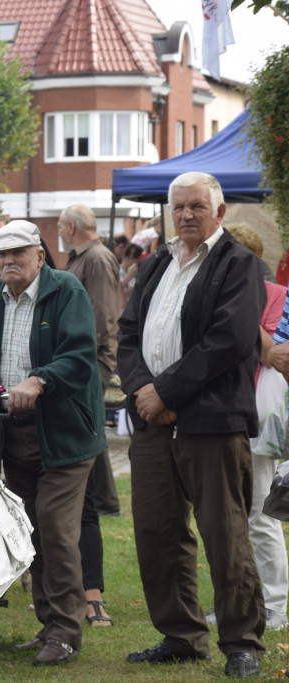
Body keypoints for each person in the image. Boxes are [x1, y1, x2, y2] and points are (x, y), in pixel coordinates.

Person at [118, 172, 265, 677]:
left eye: (196, 207)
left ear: (219, 212)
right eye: (178, 207)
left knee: (226, 536)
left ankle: (242, 642)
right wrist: (144, 391)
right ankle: (181, 636)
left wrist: (167, 391)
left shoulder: (240, 264)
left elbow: (230, 340)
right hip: (153, 422)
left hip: (213, 422)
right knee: (157, 533)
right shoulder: (156, 262)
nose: (185, 215)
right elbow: (129, 334)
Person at [0, 220, 104, 666]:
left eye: (19, 253)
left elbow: (79, 356)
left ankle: (66, 633)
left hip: (65, 433)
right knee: (29, 529)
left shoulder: (65, 290)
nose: (9, 262)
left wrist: (39, 379)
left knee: (54, 525)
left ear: (38, 254)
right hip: (12, 433)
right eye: (0, 255)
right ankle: (50, 626)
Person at [58, 204, 122, 624]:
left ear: (71, 228)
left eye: (61, 228)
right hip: (77, 375)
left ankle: (90, 594)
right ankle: (70, 591)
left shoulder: (96, 259)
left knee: (86, 485)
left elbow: (101, 321)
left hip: (87, 376)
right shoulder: (82, 259)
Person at [232, 223, 289, 633]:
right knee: (230, 517)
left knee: (259, 514)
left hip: (258, 420)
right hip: (223, 416)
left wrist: (242, 312)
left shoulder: (276, 298)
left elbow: (273, 355)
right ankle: (240, 601)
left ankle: (275, 605)